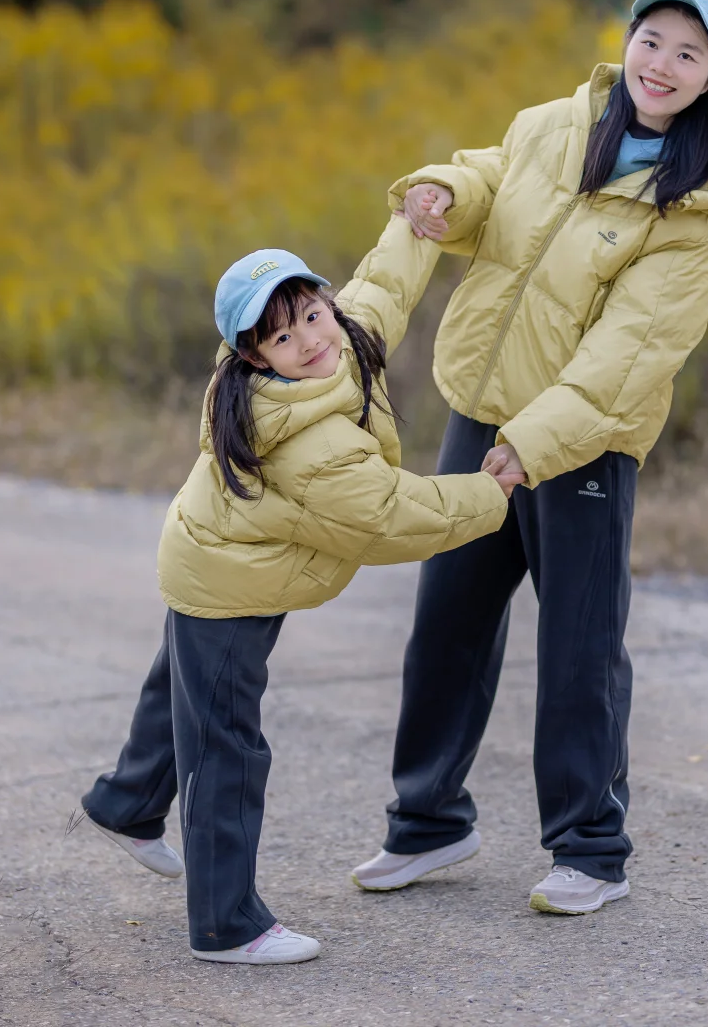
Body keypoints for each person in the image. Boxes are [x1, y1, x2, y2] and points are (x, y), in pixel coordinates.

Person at [352, 0, 708, 915]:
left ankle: (590, 849)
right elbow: (495, 183)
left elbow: (626, 360)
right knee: (445, 624)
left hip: (584, 448)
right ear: (631, 40)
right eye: (653, 40)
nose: (662, 64)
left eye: (688, 54)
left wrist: (535, 444)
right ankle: (428, 823)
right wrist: (449, 189)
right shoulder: (556, 124)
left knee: (578, 646)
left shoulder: (692, 216)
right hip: (480, 415)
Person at [81, 224, 523, 965]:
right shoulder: (304, 442)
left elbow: (382, 286)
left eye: (313, 314)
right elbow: (389, 517)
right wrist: (487, 492)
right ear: (255, 357)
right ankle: (227, 925)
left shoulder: (339, 338)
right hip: (228, 581)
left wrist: (415, 224)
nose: (312, 341)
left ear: (324, 301)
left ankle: (127, 802)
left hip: (226, 556)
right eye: (284, 339)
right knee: (224, 743)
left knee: (185, 694)